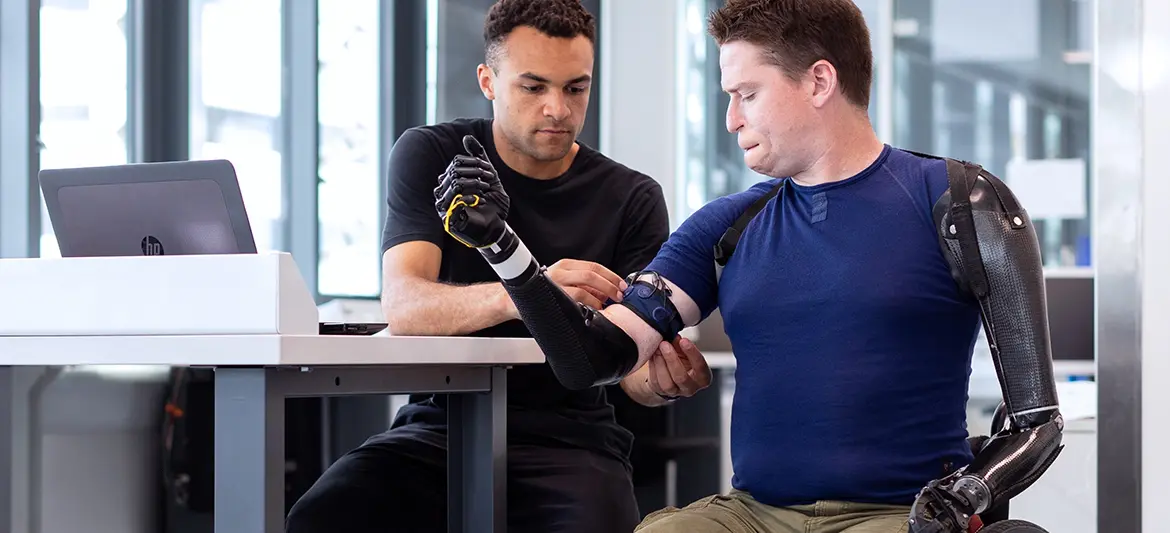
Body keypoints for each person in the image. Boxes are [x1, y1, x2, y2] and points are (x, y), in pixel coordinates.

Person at [435, 0, 1066, 532]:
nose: (731, 118)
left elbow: (1037, 424)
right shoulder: (726, 226)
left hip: (895, 515)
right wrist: (504, 250)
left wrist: (967, 494)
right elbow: (594, 360)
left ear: (819, 83)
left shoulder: (960, 203)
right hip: (753, 515)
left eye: (747, 94)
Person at [283, 1, 705, 532]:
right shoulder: (436, 156)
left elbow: (633, 373)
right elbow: (406, 305)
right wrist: (532, 291)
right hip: (439, 426)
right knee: (321, 517)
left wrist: (661, 382)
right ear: (488, 81)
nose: (557, 109)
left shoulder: (633, 197)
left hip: (571, 440)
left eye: (576, 88)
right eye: (533, 87)